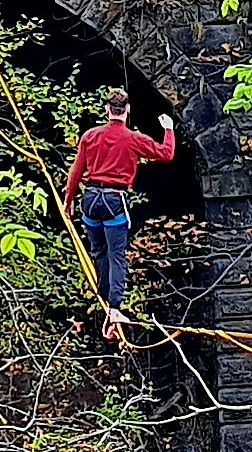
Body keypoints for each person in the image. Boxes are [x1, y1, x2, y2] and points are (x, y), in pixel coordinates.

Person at [62, 99, 177, 340]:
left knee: (99, 251)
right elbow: (166, 154)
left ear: (106, 111)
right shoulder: (133, 138)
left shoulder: (90, 135)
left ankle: (103, 297)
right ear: (128, 110)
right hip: (114, 200)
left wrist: (68, 198)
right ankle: (114, 307)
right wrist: (168, 129)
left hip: (91, 199)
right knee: (116, 254)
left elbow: (77, 169)